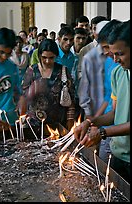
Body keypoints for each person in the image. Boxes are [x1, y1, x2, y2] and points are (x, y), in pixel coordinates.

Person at [74, 20, 130, 182]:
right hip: (118, 154)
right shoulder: (118, 73)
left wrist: (103, 132)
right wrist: (91, 121)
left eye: (120, 54)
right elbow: (115, 113)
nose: (115, 60)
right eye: (112, 53)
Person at [22, 38, 76, 134]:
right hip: (34, 126)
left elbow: (71, 99)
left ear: (56, 56)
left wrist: (70, 121)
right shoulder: (32, 71)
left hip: (58, 126)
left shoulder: (62, 71)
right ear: (39, 55)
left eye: (51, 58)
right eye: (44, 57)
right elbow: (23, 97)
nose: (47, 61)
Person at [0, 27, 27, 139]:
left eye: (8, 54)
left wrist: (21, 99)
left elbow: (16, 90)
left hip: (10, 123)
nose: (4, 57)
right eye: (1, 52)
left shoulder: (12, 67)